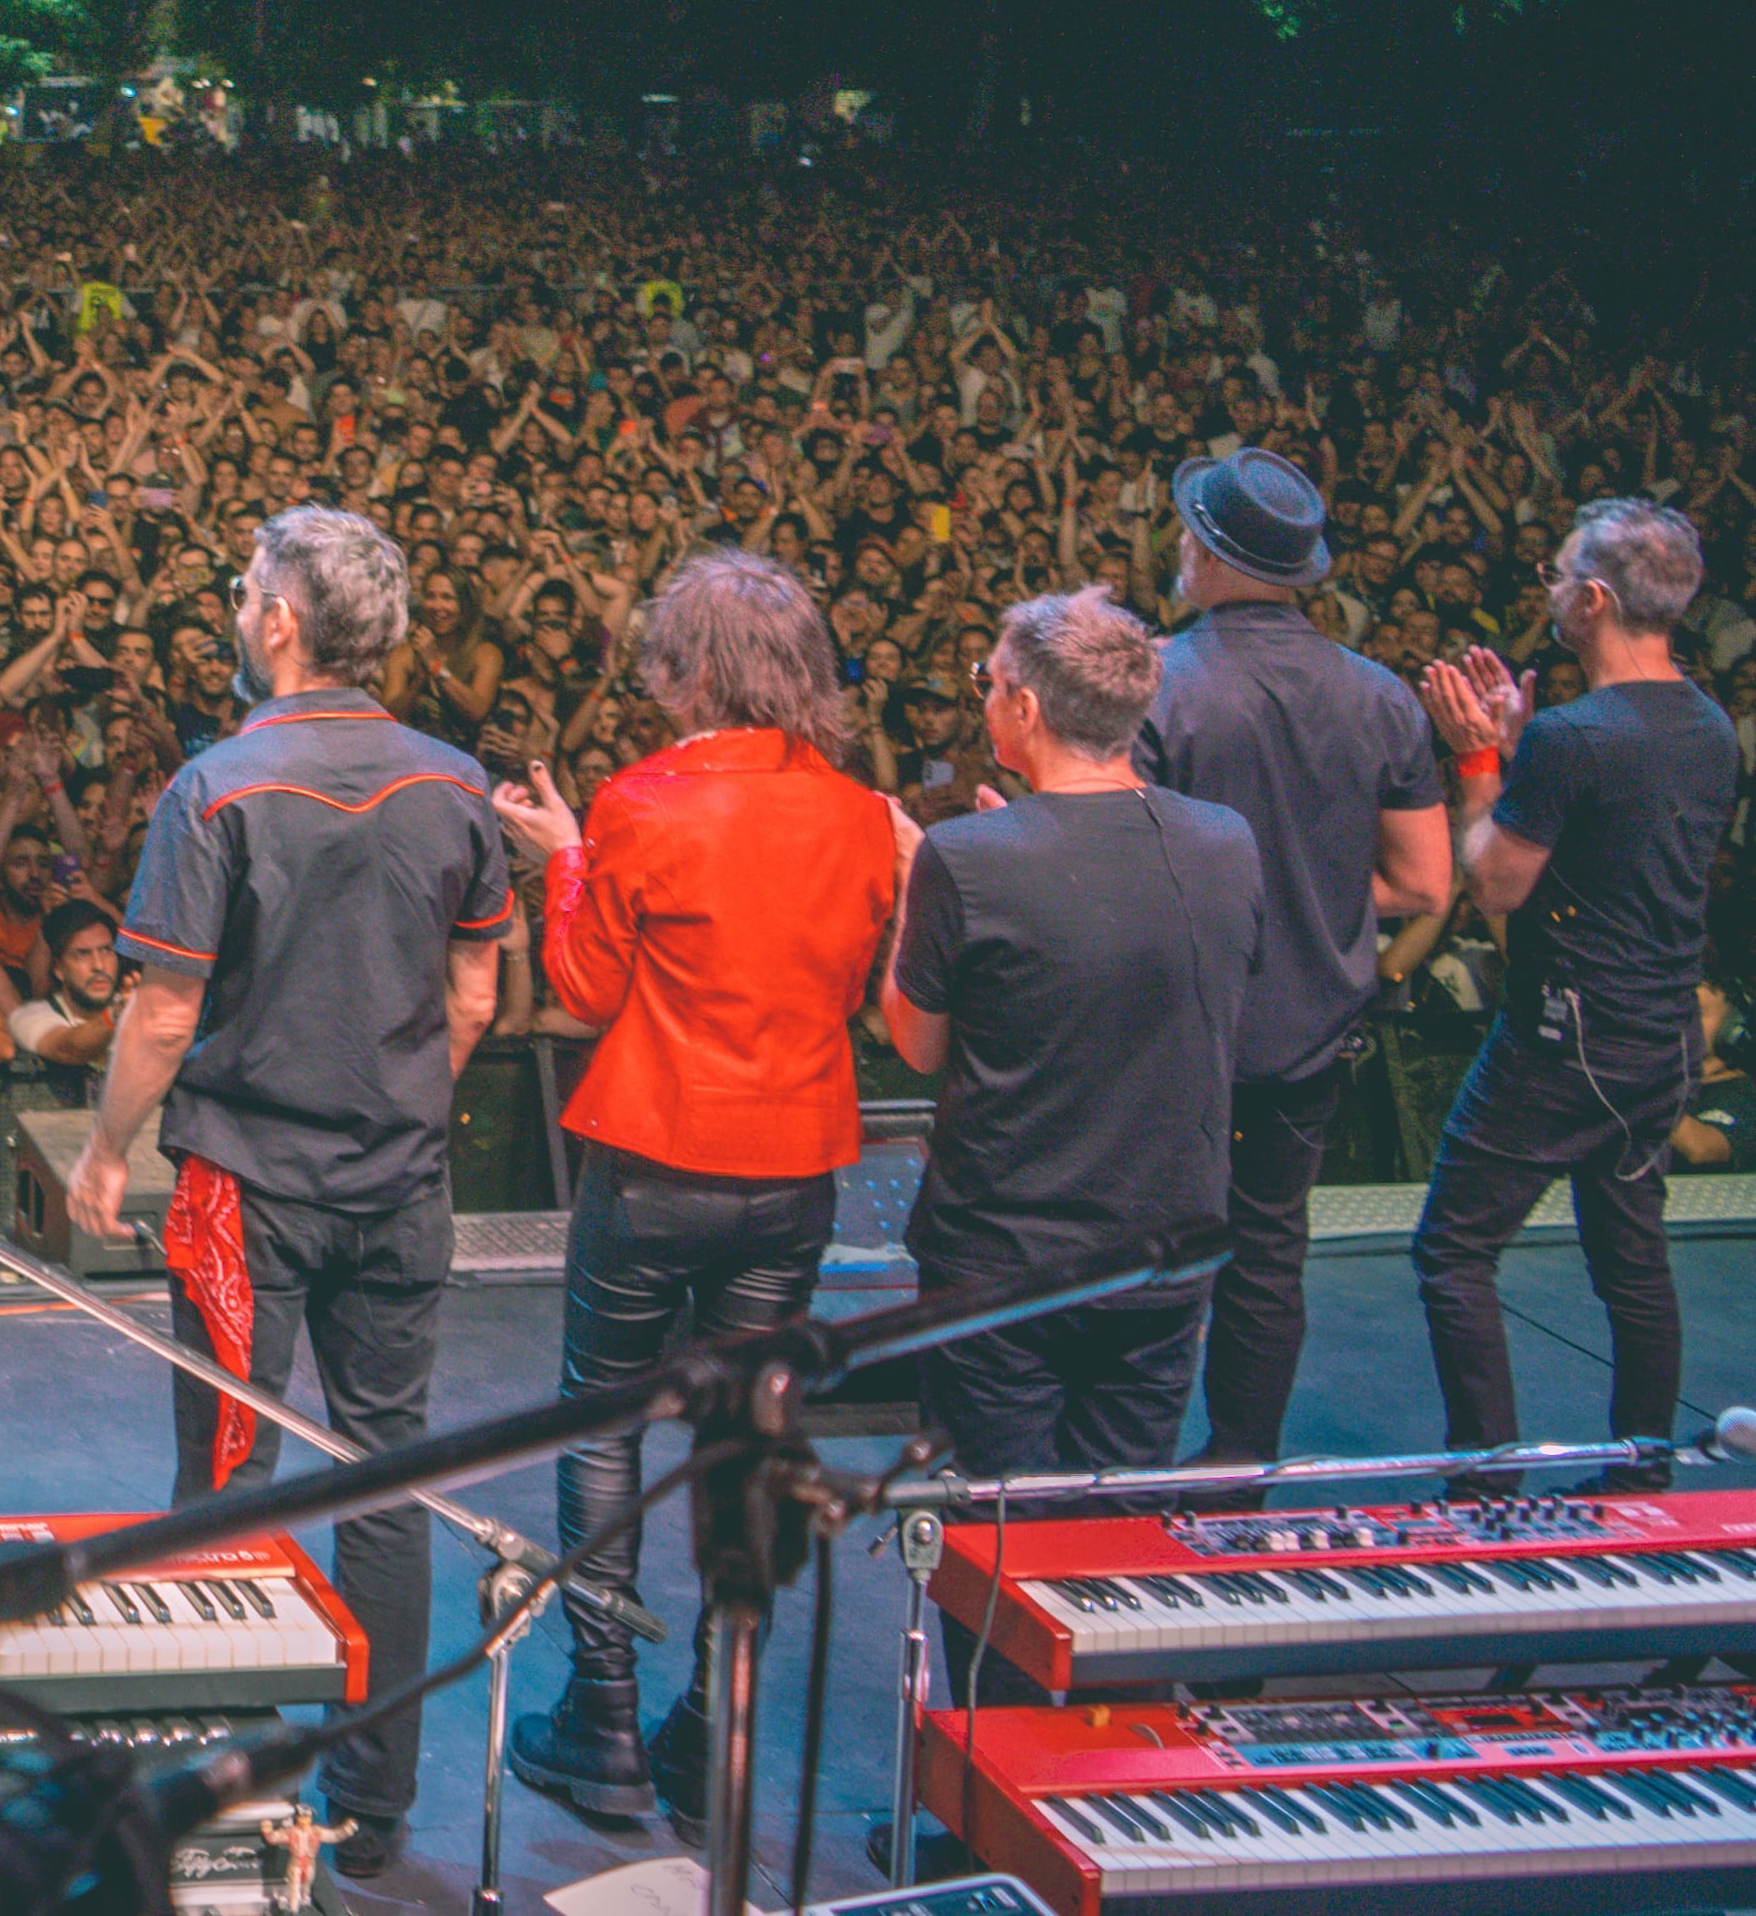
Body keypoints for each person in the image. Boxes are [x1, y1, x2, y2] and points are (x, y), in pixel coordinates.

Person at [89, 506, 512, 1885]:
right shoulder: (455, 781)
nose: (236, 603)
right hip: (402, 1181)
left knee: (222, 1479)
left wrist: (104, 1150)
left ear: (280, 619)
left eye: (244, 588)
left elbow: (163, 1008)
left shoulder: (216, 784)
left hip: (244, 1190)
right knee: (386, 1474)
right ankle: (376, 1810)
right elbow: (475, 990)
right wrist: (393, 1095)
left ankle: (224, 1784)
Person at [491, 548, 909, 1832]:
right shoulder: (856, 811)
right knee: (742, 1438)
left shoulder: (639, 800)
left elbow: (584, 990)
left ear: (685, 667)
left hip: (655, 1156)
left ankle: (601, 1716)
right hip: (789, 1167)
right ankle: (707, 1719)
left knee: (604, 1419)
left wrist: (562, 857)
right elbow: (854, 988)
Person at [885, 588, 1262, 1480]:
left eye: (989, 682)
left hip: (1005, 1261)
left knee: (1002, 1533)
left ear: (1025, 707)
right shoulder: (1226, 840)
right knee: (1117, 1540)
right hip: (1165, 1247)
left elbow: (917, 1044)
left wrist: (918, 881)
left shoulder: (967, 857)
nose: (982, 699)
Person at [1137, 446, 1452, 1465]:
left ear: (1208, 551)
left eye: (1188, 529)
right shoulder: (1379, 694)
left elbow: (1119, 870)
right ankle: (1237, 1463)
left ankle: (1120, 1464)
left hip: (1173, 1026)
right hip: (1309, 1029)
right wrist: (1307, 893)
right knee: (1268, 1252)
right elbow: (1419, 883)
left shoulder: (1156, 684)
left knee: (1145, 1249)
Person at [1409, 499, 1731, 1475]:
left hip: (1561, 1044)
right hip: (1657, 1035)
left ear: (1591, 599)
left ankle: (1488, 1476)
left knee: (1451, 1250)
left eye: (1556, 575)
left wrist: (1477, 760)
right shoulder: (1707, 725)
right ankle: (1644, 1471)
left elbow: (1496, 882)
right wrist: (1520, 745)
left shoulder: (1573, 738)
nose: (1544, 588)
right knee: (1630, 1264)